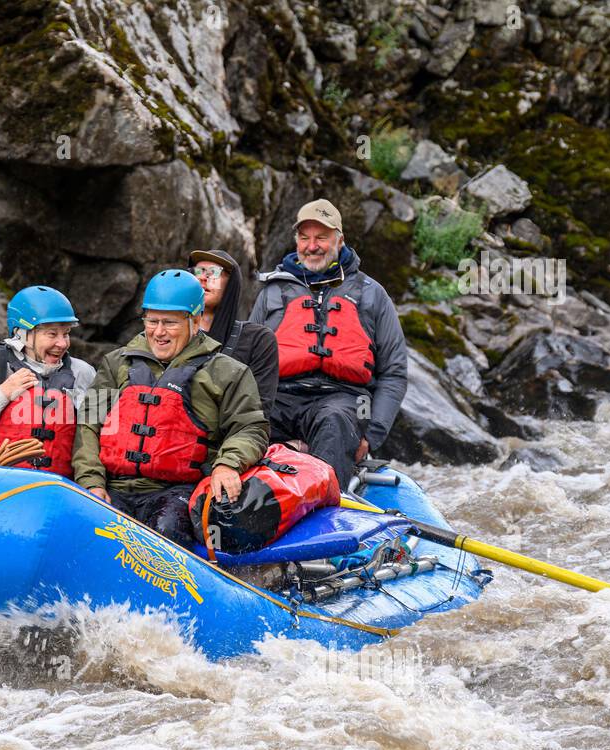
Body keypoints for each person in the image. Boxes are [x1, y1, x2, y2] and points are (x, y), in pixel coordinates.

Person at [72, 269, 269, 546]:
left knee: (164, 531)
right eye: (152, 321)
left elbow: (250, 428)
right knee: (85, 534)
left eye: (170, 323)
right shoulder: (115, 363)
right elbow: (88, 424)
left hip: (178, 492)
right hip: (113, 487)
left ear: (196, 320)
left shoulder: (229, 372)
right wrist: (91, 482)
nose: (159, 332)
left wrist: (227, 464)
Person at [249, 199, 407, 489]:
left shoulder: (372, 295)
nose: (312, 246)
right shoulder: (272, 292)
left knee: (333, 420)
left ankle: (322, 503)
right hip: (279, 395)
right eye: (305, 238)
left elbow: (394, 373)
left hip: (346, 398)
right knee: (249, 425)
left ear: (340, 239)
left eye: (322, 237)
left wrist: (373, 434)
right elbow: (248, 365)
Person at [0, 285, 96, 477]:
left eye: (66, 333)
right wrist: (0, 394)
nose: (62, 343)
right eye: (52, 334)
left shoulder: (84, 373)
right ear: (23, 334)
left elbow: (98, 443)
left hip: (59, 488)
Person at [188, 249, 278, 411]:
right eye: (198, 271)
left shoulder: (257, 340)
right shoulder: (170, 334)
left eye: (213, 272)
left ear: (231, 284)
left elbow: (258, 409)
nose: (202, 277)